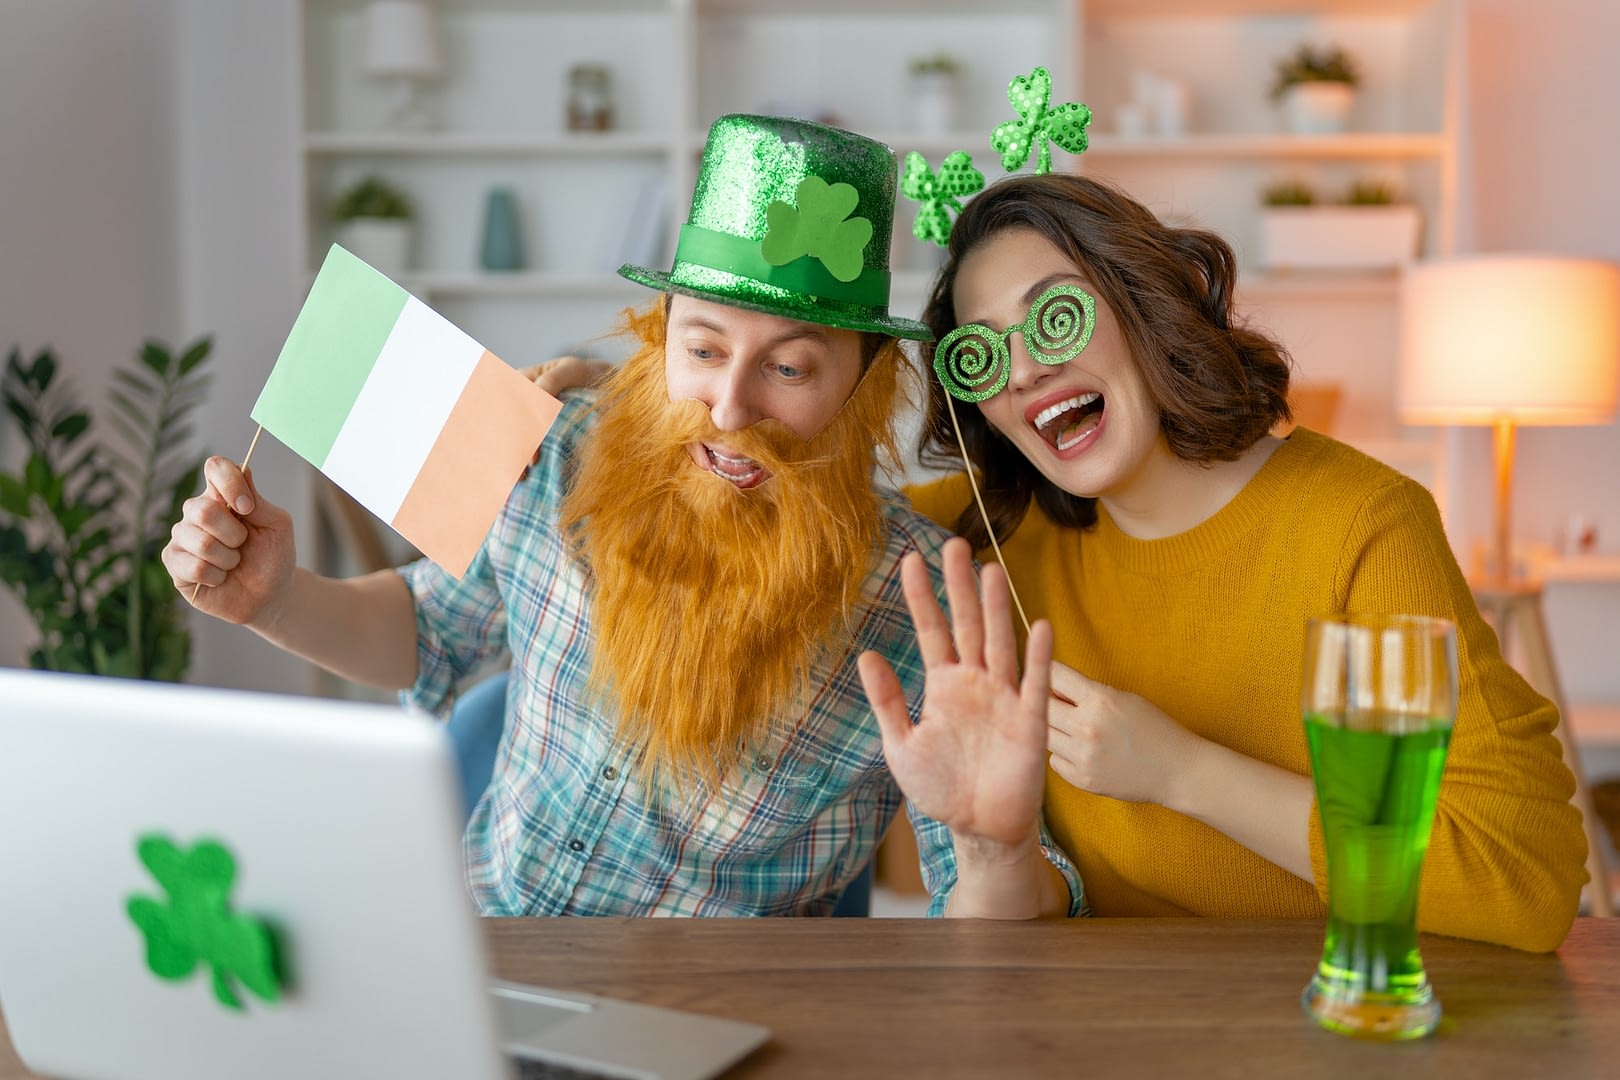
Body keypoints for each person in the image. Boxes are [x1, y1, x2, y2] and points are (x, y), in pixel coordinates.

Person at [161, 114, 1085, 918]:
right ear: (659, 337)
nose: (731, 408)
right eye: (703, 349)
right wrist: (275, 599)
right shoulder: (553, 454)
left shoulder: (923, 603)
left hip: (722, 1022)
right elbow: (430, 632)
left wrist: (992, 850)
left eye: (790, 368)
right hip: (483, 964)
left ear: (864, 385)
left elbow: (985, 931)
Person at [861, 169, 1589, 950]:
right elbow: (796, 513)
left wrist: (1182, 772)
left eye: (1056, 316)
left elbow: (1525, 876)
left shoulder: (1362, 523)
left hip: (1332, 1003)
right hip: (1108, 1011)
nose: (1027, 370)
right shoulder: (986, 534)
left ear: (1143, 303)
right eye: (981, 353)